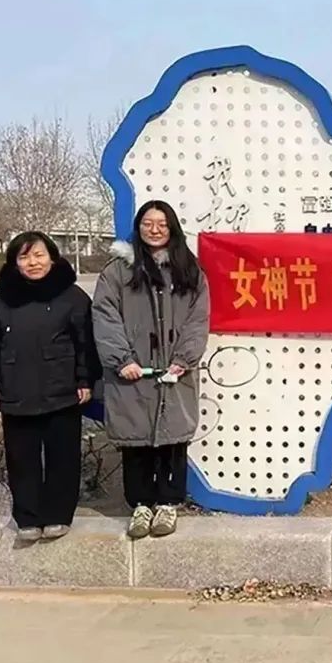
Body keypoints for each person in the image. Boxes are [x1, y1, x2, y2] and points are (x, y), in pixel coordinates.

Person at [0, 232, 98, 541]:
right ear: (15, 263)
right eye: (24, 257)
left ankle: (58, 515)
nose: (33, 262)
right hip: (16, 393)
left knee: (63, 457)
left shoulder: (73, 297)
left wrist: (85, 379)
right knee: (21, 459)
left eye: (39, 255)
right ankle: (27, 518)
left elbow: (86, 344)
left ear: (52, 257)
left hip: (63, 391)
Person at [93, 201, 209, 539]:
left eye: (162, 223)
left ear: (172, 228)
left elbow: (198, 319)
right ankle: (141, 504)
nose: (154, 230)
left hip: (175, 372)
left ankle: (168, 503)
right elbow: (105, 316)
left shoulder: (189, 270)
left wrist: (184, 358)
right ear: (138, 227)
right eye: (148, 223)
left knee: (173, 439)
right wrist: (122, 359)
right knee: (136, 440)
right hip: (133, 373)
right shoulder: (117, 272)